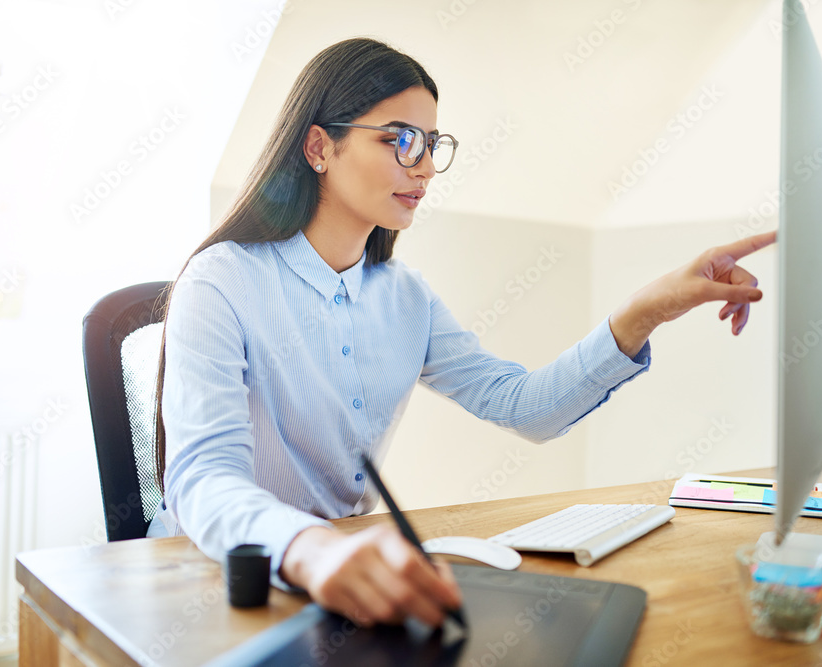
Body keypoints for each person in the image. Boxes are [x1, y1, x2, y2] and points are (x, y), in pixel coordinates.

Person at [146, 37, 776, 630]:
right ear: (319, 148)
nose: (423, 167)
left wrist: (648, 309)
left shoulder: (404, 297)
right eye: (398, 140)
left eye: (431, 143)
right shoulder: (222, 281)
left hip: (343, 582)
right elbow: (203, 478)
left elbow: (525, 406)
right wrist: (309, 551)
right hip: (219, 579)